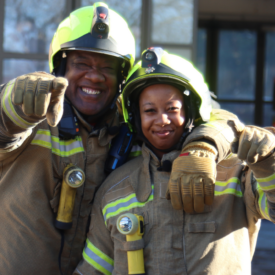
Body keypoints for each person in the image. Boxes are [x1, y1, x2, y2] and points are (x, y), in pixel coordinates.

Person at [0, 4, 241, 275]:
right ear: (61, 67)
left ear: (122, 78)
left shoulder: (136, 126)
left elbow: (219, 118)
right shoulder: (29, 119)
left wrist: (203, 144)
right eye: (81, 63)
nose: (94, 75)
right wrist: (11, 100)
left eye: (107, 67)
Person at [74, 48, 275, 275]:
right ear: (136, 118)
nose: (162, 120)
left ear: (191, 111)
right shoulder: (114, 190)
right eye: (149, 110)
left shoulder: (235, 171)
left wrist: (269, 163)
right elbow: (94, 268)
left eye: (172, 109)